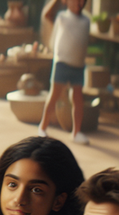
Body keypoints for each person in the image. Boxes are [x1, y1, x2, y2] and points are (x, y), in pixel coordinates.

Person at [37, 0, 90, 145]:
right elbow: (47, 16)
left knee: (78, 98)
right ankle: (42, 127)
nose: (79, 3)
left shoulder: (86, 21)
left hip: (78, 65)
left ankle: (76, 132)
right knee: (54, 95)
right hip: (62, 63)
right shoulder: (61, 17)